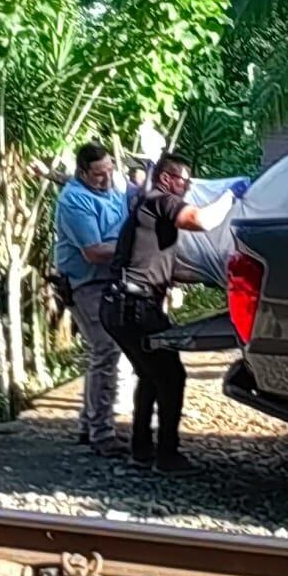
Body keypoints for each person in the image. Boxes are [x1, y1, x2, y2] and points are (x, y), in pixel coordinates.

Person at [102, 152, 249, 473]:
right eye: (183, 181)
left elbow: (166, 265)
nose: (186, 188)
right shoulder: (160, 201)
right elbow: (202, 220)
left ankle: (141, 451)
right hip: (135, 308)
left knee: (150, 375)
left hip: (119, 306)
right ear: (167, 179)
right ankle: (167, 456)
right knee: (171, 376)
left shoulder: (145, 210)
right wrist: (230, 196)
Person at [54, 142, 131, 458]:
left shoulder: (113, 190)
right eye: (99, 174)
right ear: (83, 172)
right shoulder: (74, 201)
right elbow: (94, 251)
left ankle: (90, 424)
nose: (106, 178)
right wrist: (133, 247)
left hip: (111, 281)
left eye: (110, 171)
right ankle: (101, 431)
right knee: (105, 348)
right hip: (85, 282)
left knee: (109, 350)